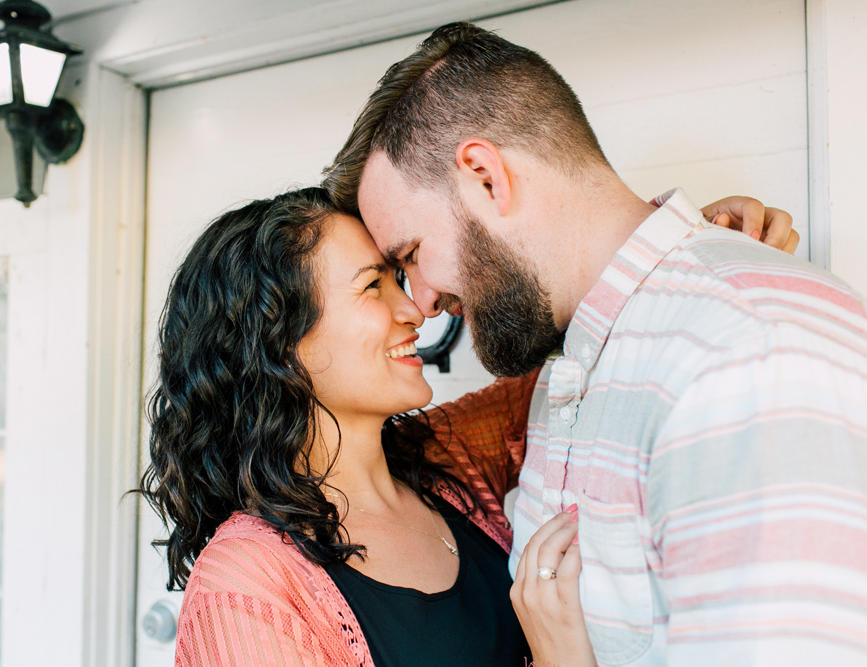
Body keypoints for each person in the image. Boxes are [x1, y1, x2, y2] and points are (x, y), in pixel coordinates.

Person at [323, 21, 867, 667]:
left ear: (486, 177)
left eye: (410, 256)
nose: (421, 303)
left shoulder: (744, 352)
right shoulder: (577, 366)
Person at [140, 186, 790, 667]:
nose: (413, 310)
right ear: (279, 345)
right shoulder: (245, 586)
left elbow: (603, 348)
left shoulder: (447, 462)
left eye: (402, 277)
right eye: (374, 287)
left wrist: (692, 245)